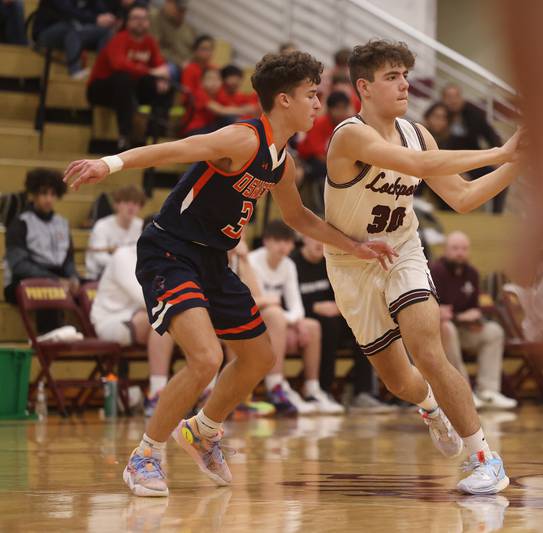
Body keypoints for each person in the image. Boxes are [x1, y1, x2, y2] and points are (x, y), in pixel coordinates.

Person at [63, 50, 395, 497]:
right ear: (283, 100)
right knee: (205, 358)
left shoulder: (283, 163)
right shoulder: (243, 139)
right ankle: (145, 455)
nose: (318, 104)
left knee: (259, 357)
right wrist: (111, 163)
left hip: (214, 261)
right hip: (171, 251)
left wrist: (354, 246)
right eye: (311, 95)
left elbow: (299, 219)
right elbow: (178, 149)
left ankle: (202, 431)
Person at [325, 39, 521, 494]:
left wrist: (518, 163)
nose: (404, 84)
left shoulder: (419, 133)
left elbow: (464, 197)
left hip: (402, 250)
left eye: (405, 75)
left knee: (429, 349)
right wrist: (500, 152)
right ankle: (431, 408)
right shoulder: (350, 135)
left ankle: (483, 458)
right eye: (391, 76)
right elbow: (413, 164)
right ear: (364, 87)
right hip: (351, 261)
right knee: (398, 380)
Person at [246, 220, 343, 415]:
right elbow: (255, 303)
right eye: (278, 241)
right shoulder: (251, 261)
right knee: (274, 313)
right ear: (266, 242)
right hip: (253, 319)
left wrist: (292, 323)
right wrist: (285, 317)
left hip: (278, 321)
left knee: (312, 326)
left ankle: (312, 389)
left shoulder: (289, 265)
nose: (283, 247)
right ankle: (276, 385)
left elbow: (297, 307)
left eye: (287, 242)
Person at [291, 233, 394, 413]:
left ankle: (364, 391)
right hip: (306, 320)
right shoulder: (293, 263)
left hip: (335, 317)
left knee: (363, 324)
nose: (319, 243)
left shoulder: (330, 261)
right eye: (315, 238)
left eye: (324, 239)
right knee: (329, 325)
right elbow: (289, 300)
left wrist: (339, 306)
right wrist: (313, 307)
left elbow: (346, 294)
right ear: (304, 238)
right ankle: (324, 389)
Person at [90, 221, 175, 416]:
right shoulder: (123, 257)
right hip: (111, 321)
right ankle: (157, 395)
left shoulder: (166, 259)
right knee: (163, 321)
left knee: (188, 323)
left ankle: (204, 393)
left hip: (141, 317)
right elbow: (144, 297)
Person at [430, 231, 517, 410]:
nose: (460, 253)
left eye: (463, 249)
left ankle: (488, 391)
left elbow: (473, 309)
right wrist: (453, 315)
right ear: (445, 250)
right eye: (455, 248)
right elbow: (434, 311)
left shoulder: (472, 273)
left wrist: (473, 318)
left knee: (493, 331)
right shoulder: (435, 271)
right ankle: (463, 392)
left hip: (463, 328)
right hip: (438, 334)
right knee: (446, 327)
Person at [86, 3, 173, 150]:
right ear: (128, 22)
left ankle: (156, 134)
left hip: (129, 89)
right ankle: (124, 136)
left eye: (144, 18)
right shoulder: (119, 38)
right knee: (124, 79)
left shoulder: (150, 41)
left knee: (165, 87)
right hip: (101, 89)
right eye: (136, 18)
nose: (140, 21)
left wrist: (161, 79)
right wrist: (151, 72)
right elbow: (119, 65)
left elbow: (161, 67)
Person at [3, 169, 77, 306]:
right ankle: (51, 329)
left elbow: (68, 260)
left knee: (88, 289)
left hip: (56, 278)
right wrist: (55, 280)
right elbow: (19, 265)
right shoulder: (20, 223)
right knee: (51, 292)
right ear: (34, 194)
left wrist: (73, 278)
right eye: (44, 193)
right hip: (21, 280)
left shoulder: (62, 223)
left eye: (53, 194)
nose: (49, 199)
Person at [440, 83, 504, 212]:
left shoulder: (473, 112)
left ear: (461, 98)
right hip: (446, 163)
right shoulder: (439, 114)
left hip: (472, 160)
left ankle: (496, 214)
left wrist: (499, 156)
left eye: (456, 96)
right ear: (443, 99)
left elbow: (491, 134)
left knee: (501, 175)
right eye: (449, 97)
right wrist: (457, 172)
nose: (453, 100)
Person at [34, 0, 116, 79]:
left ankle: (101, 72)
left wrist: (108, 18)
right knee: (72, 28)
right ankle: (75, 71)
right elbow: (68, 10)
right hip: (47, 32)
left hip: (74, 32)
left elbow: (101, 10)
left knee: (105, 32)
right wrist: (95, 19)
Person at [86, 185, 146, 280]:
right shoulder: (102, 225)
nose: (131, 207)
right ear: (116, 204)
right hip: (99, 277)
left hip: (130, 276)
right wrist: (125, 264)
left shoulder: (142, 226)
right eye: (126, 202)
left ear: (140, 206)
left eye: (135, 203)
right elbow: (99, 257)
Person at [180, 68, 251, 137]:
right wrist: (243, 110)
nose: (214, 83)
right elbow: (220, 110)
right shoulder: (199, 93)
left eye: (217, 79)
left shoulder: (219, 94)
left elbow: (230, 108)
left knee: (232, 120)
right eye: (210, 79)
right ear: (201, 81)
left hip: (210, 127)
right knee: (228, 119)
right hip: (195, 130)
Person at [148, 0, 195, 83]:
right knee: (169, 71)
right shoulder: (155, 18)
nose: (181, 12)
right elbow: (155, 47)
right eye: (178, 8)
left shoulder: (189, 29)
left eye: (183, 10)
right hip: (165, 64)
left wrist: (190, 64)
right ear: (168, 3)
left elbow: (195, 52)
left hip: (188, 68)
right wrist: (180, 63)